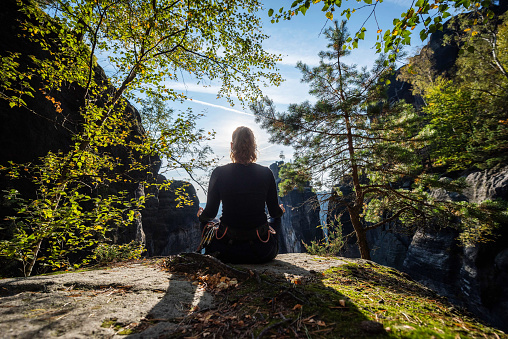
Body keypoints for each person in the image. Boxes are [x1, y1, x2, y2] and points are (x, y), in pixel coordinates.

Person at [197, 126, 285, 264]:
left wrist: (200, 215)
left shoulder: (219, 173)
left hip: (226, 250)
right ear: (254, 147)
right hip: (262, 250)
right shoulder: (266, 173)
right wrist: (281, 210)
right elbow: (274, 213)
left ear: (232, 146)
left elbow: (210, 213)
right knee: (276, 220)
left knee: (205, 222)